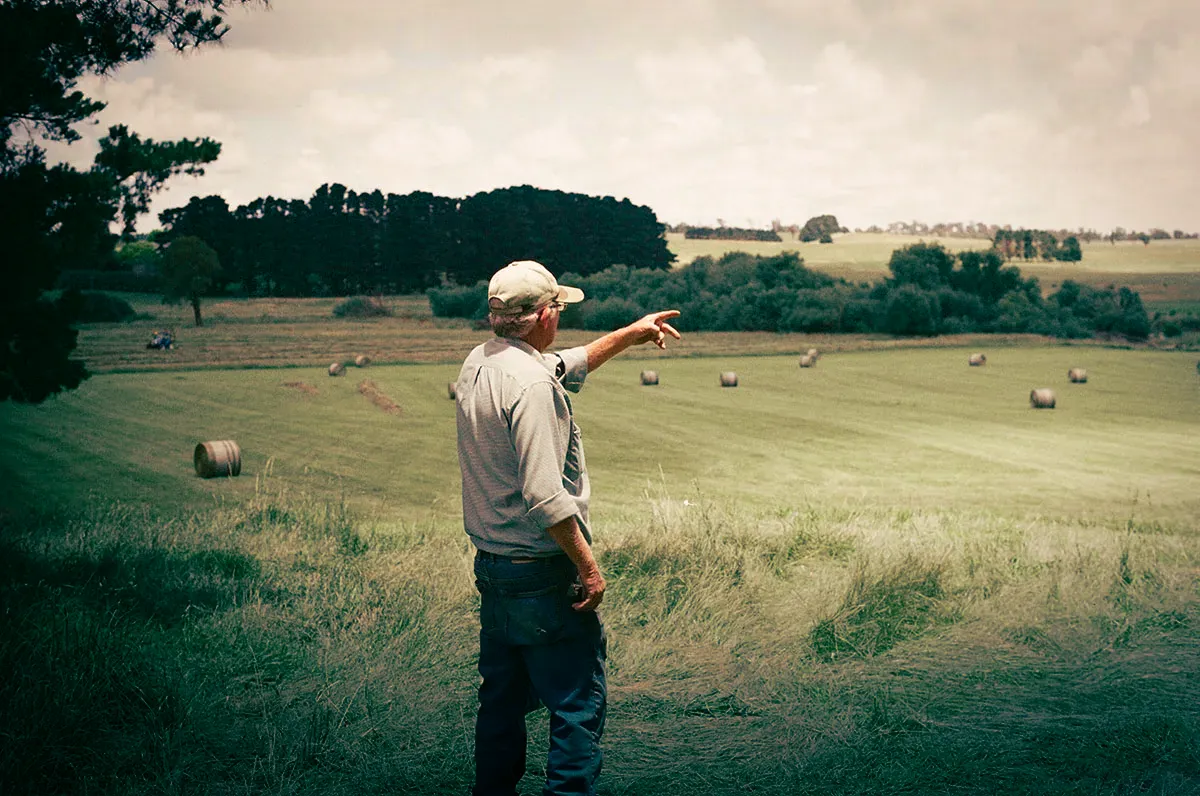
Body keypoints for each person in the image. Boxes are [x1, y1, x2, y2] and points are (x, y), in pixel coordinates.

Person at [456, 260, 681, 796]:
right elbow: (545, 496)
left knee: (500, 704)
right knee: (576, 707)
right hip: (540, 573)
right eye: (557, 307)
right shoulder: (533, 386)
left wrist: (631, 334)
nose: (560, 315)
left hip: (494, 569)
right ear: (542, 316)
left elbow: (566, 363)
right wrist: (588, 567)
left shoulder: (481, 362)